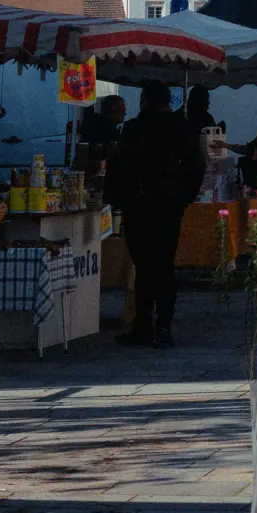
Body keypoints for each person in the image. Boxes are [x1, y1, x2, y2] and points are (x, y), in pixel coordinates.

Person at [106, 80, 206, 348]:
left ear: (145, 100)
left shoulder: (134, 129)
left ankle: (144, 324)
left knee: (145, 265)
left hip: (140, 206)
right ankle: (162, 325)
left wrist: (120, 198)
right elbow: (197, 165)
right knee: (162, 265)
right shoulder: (180, 127)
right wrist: (184, 197)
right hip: (168, 206)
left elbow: (118, 168)